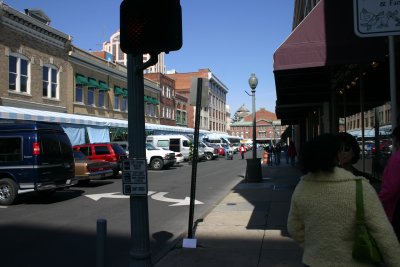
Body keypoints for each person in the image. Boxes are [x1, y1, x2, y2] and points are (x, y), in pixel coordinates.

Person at [287, 134, 400, 267]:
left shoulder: (302, 187)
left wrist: (314, 249)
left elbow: (294, 228)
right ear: (336, 155)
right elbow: (383, 233)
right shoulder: (360, 187)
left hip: (313, 261)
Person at [379, 126, 400, 241]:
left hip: (396, 209)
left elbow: (391, 188)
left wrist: (377, 201)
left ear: (397, 140)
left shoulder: (397, 159)